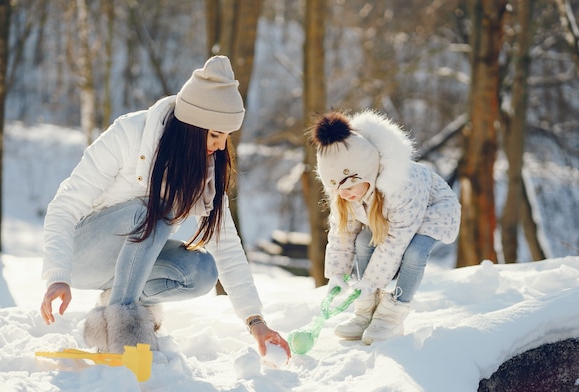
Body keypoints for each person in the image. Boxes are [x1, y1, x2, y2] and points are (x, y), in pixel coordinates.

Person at [39, 55, 291, 360]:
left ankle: (115, 302)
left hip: (131, 265)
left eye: (227, 136)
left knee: (202, 270)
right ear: (191, 127)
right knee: (151, 210)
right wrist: (58, 275)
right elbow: (64, 206)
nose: (221, 146)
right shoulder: (129, 134)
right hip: (86, 255)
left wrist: (256, 322)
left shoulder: (205, 171)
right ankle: (123, 330)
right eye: (214, 135)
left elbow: (227, 248)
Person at [309, 110, 461, 345]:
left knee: (414, 253)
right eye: (337, 188)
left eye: (350, 185)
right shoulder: (347, 195)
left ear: (367, 172)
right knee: (362, 241)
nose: (345, 193)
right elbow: (342, 234)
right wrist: (338, 274)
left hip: (433, 211)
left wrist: (370, 282)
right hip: (387, 214)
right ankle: (365, 313)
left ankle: (392, 315)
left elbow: (394, 243)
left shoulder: (400, 185)